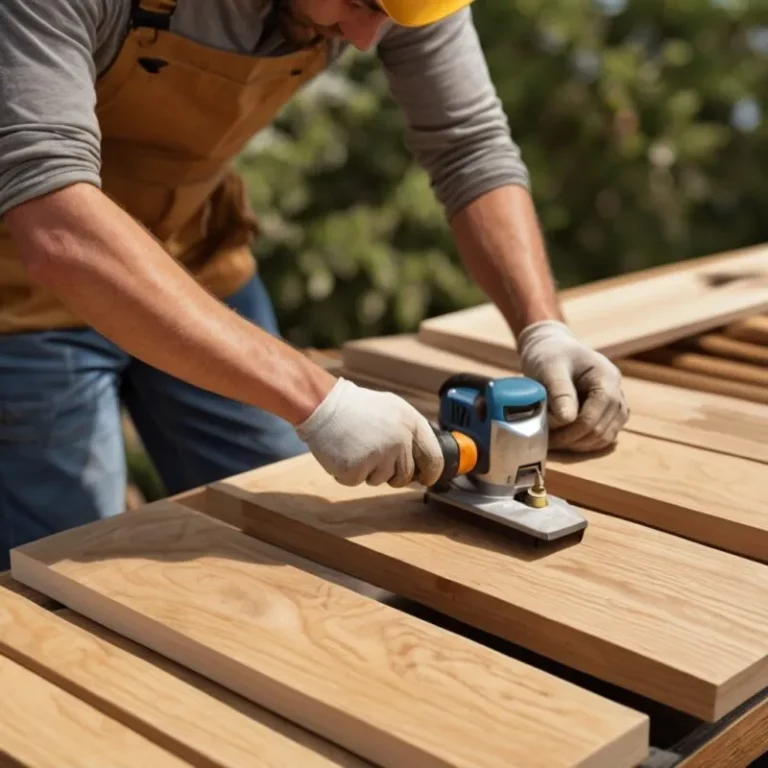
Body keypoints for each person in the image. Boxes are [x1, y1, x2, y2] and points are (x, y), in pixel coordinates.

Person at [0, 0, 628, 567]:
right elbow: (56, 224)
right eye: (357, 3)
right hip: (21, 297)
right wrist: (319, 400)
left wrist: (542, 327)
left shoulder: (399, 4)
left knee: (300, 538)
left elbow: (470, 147)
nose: (363, 39)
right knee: (62, 571)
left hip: (197, 266)